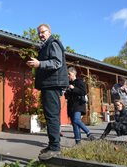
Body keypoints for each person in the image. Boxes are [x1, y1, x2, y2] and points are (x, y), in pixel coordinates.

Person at [26, 24, 69, 160]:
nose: (40, 35)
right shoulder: (45, 46)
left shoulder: (53, 43)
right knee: (50, 115)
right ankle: (52, 145)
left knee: (52, 116)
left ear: (49, 32)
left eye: (43, 32)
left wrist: (40, 64)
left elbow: (57, 62)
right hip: (48, 85)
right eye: (39, 33)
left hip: (52, 85)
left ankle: (55, 148)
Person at [64, 67, 95, 144]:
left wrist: (73, 88)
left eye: (69, 74)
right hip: (71, 106)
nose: (68, 76)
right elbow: (67, 96)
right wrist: (67, 92)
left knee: (76, 120)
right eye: (67, 74)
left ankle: (89, 134)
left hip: (78, 104)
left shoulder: (80, 82)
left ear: (74, 73)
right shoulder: (68, 84)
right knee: (74, 124)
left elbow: (83, 92)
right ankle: (78, 142)